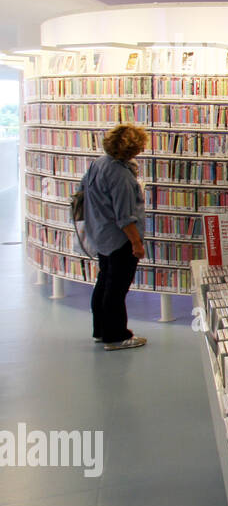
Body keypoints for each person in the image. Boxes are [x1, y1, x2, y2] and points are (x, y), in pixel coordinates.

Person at [81, 124, 149, 350]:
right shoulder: (120, 175)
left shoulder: (99, 163)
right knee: (117, 289)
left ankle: (100, 330)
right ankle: (116, 336)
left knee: (104, 283)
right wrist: (136, 243)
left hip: (101, 234)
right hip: (120, 239)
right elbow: (124, 216)